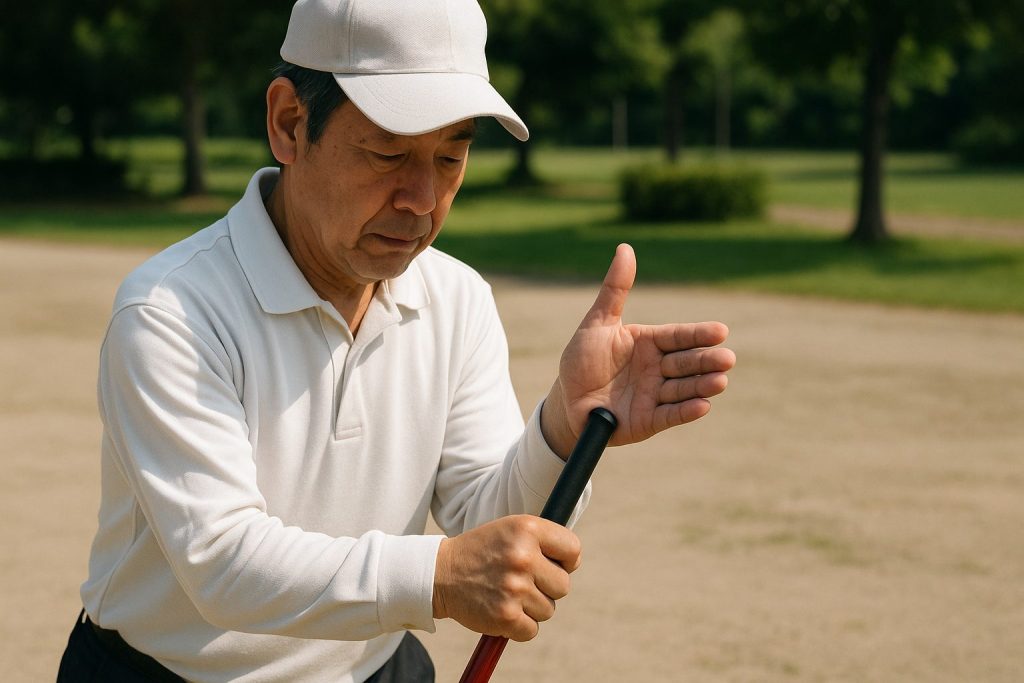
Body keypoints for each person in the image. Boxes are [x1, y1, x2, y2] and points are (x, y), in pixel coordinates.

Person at [57, 1, 736, 681]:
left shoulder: (458, 298)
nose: (422, 197)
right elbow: (222, 561)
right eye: (388, 152)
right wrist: (437, 575)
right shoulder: (171, 310)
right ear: (289, 123)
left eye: (451, 156)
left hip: (375, 667)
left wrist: (564, 429)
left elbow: (488, 520)